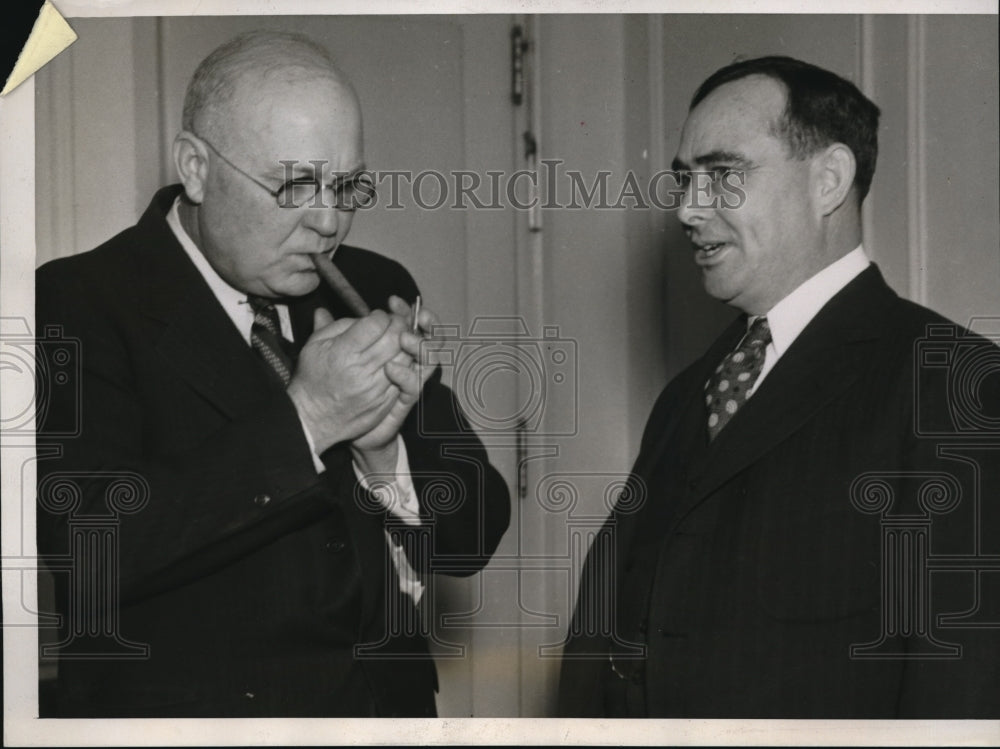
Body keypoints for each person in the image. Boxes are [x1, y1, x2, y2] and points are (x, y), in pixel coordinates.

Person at [35, 30, 510, 718]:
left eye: (347, 186)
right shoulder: (76, 301)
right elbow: (85, 552)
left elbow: (473, 537)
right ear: (196, 167)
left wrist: (385, 455)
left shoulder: (375, 283)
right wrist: (308, 419)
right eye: (295, 185)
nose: (329, 222)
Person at [558, 56, 999, 718]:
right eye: (684, 179)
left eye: (723, 174)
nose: (686, 209)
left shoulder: (952, 381)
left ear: (829, 180)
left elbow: (962, 684)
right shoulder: (688, 393)